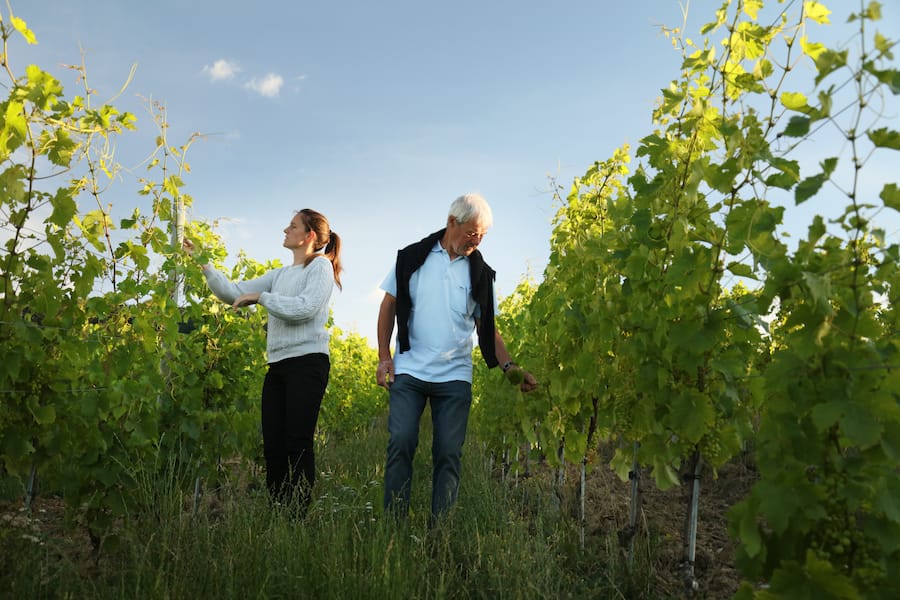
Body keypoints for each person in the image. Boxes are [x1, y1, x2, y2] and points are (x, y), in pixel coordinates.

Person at [376, 193, 538, 524]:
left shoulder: (480, 273)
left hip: (454, 376)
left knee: (448, 453)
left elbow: (489, 330)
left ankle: (441, 532)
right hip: (409, 369)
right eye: (472, 232)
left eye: (482, 236)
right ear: (453, 222)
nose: (476, 241)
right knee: (402, 441)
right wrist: (383, 357)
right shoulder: (411, 258)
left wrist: (510, 367)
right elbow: (388, 306)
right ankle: (393, 526)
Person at [183, 209, 342, 510]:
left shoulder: (320, 267)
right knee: (273, 445)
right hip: (279, 366)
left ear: (309, 235)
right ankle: (279, 511)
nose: (285, 230)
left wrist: (261, 298)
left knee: (297, 442)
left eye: (292, 226)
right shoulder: (279, 275)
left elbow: (304, 308)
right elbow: (233, 293)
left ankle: (298, 515)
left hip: (307, 363)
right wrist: (202, 262)